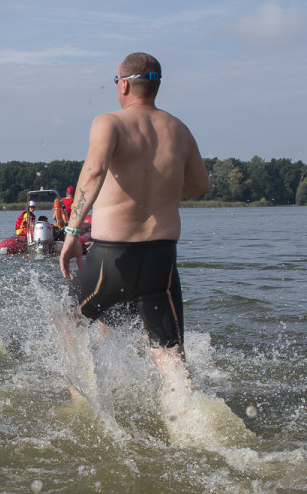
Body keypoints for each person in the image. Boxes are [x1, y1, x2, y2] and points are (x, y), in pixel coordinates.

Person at [59, 52, 209, 389]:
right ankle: (190, 421)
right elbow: (201, 185)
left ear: (123, 84)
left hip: (114, 257)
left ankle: (79, 397)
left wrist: (71, 231)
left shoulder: (108, 122)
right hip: (162, 260)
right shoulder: (179, 129)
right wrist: (160, 193)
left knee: (66, 317)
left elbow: (95, 170)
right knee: (171, 357)